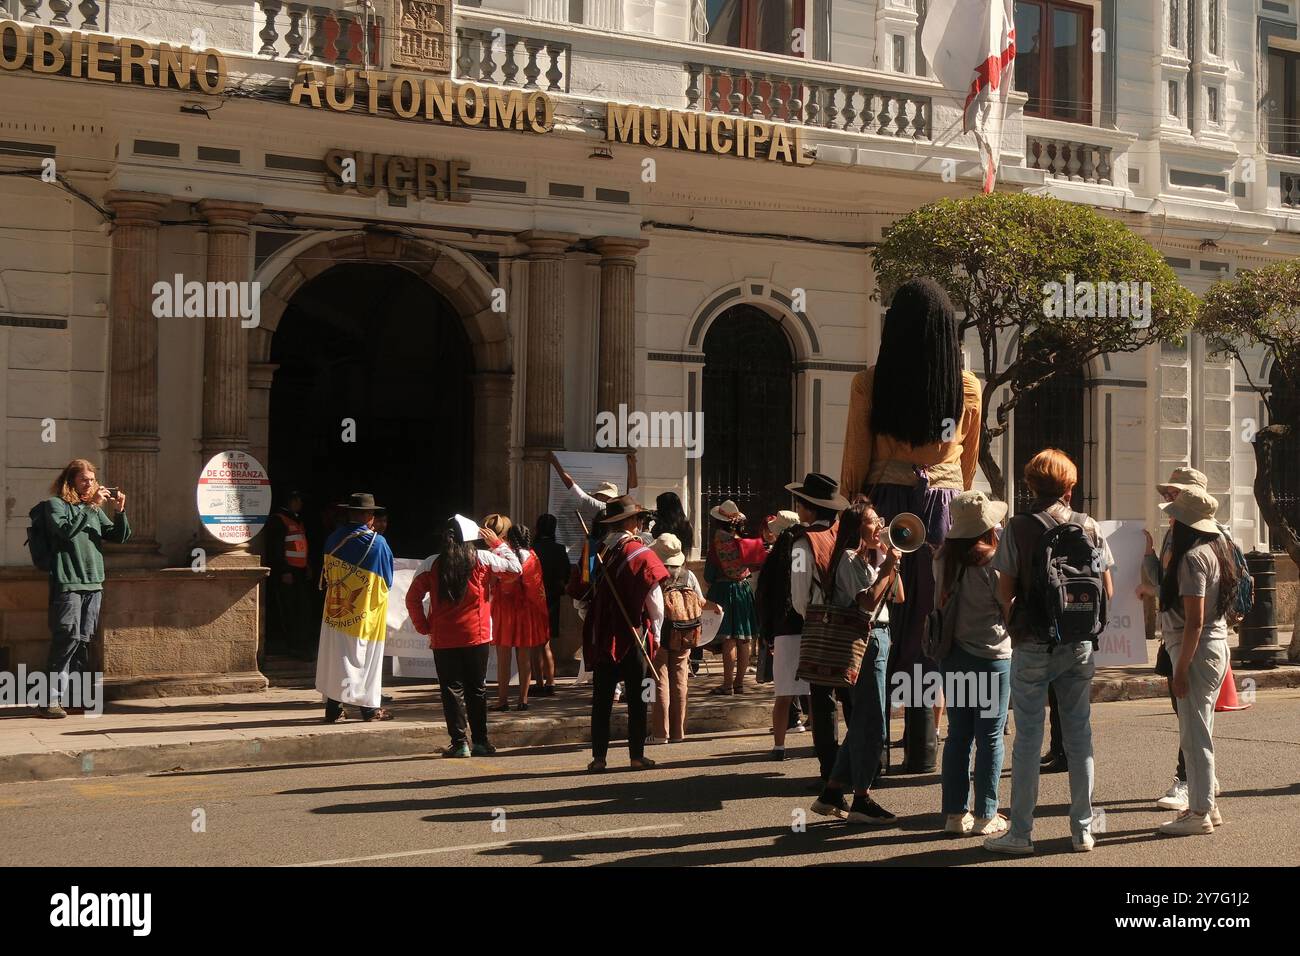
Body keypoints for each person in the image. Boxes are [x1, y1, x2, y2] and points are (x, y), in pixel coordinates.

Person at [840, 277, 981, 773]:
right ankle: (922, 746)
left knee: (881, 623)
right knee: (930, 621)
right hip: (942, 508)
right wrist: (948, 491)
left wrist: (858, 498)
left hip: (885, 506)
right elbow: (968, 463)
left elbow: (855, 459)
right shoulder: (966, 387)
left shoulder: (870, 382)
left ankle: (871, 749)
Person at [984, 450, 1114, 855]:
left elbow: (1003, 590)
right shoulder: (1089, 526)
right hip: (1078, 644)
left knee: (1027, 740)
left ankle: (1020, 833)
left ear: (1029, 486)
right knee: (1079, 737)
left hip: (1033, 643)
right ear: (1070, 487)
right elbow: (1106, 590)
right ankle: (1082, 831)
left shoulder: (1018, 528)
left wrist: (1016, 623)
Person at [1138, 466, 1227, 812]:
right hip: (1193, 642)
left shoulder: (1201, 544)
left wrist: (1182, 668)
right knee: (1193, 722)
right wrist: (1149, 557)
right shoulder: (1178, 537)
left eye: (1174, 494)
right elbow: (1172, 584)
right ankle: (1202, 786)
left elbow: (1194, 613)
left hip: (1196, 643)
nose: (1167, 500)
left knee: (1194, 731)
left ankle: (1197, 800)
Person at [810, 496, 902, 826]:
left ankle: (833, 790)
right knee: (873, 719)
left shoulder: (866, 559)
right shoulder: (848, 559)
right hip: (865, 638)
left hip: (879, 636)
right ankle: (861, 797)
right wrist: (887, 567)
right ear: (856, 528)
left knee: (865, 716)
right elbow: (865, 603)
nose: (880, 525)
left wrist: (891, 563)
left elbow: (898, 596)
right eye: (873, 521)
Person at [1154, 487, 1235, 836]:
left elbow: (1194, 621)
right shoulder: (1216, 549)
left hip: (1197, 650)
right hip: (1214, 647)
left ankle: (1199, 811)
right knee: (1200, 731)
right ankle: (1207, 807)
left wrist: (1181, 668)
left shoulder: (1191, 558)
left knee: (1195, 735)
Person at [406, 515, 522, 757]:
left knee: (451, 690)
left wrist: (424, 626)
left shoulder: (430, 563)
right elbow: (515, 569)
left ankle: (459, 744)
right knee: (476, 689)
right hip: (476, 635)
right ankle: (481, 741)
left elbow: (412, 598)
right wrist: (498, 544)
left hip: (443, 637)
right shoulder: (482, 558)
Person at [932, 491, 1011, 837]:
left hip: (953, 655)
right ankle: (985, 813)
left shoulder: (942, 559)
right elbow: (1007, 608)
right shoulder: (993, 563)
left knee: (958, 736)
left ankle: (953, 814)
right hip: (992, 656)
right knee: (990, 737)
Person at [580, 495, 669, 772]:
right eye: (639, 518)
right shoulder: (642, 555)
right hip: (635, 637)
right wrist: (654, 635)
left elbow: (581, 601)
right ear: (631, 521)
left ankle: (598, 758)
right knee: (639, 696)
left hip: (604, 638)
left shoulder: (596, 552)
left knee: (602, 699)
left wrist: (598, 622)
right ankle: (636, 756)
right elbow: (655, 604)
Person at [39, 459, 131, 718]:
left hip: (93, 583)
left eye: (92, 480)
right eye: (84, 480)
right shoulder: (55, 505)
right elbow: (66, 532)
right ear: (70, 482)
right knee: (66, 638)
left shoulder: (92, 508)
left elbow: (118, 536)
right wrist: (91, 506)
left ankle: (74, 699)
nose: (90, 484)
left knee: (82, 641)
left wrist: (120, 511)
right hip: (68, 582)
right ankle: (49, 700)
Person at [787, 473, 855, 784]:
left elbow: (800, 596)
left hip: (819, 625)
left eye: (801, 504)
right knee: (852, 698)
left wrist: (810, 617)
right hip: (851, 624)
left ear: (809, 509)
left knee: (823, 700)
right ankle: (861, 764)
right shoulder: (845, 535)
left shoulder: (803, 544)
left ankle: (830, 770)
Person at [315, 493, 396, 724]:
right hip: (365, 612)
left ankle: (333, 709)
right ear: (369, 516)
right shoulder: (377, 543)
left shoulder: (332, 539)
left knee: (336, 659)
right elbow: (387, 581)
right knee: (366, 659)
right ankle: (368, 710)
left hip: (335, 611)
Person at [648, 533, 715, 744]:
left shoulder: (654, 574)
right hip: (685, 633)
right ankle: (678, 732)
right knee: (680, 681)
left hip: (660, 633)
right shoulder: (688, 575)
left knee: (659, 680)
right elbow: (701, 601)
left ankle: (660, 732)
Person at [755, 511, 808, 759]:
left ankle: (779, 745)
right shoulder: (803, 554)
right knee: (816, 693)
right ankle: (821, 744)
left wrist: (767, 633)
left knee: (783, 694)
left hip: (782, 632)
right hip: (806, 628)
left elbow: (763, 598)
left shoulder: (772, 560)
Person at [483, 515, 551, 712]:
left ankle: (502, 700)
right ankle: (523, 700)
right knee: (524, 658)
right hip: (526, 612)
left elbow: (493, 582)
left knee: (503, 659)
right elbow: (537, 587)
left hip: (504, 611)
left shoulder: (499, 555)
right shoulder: (533, 557)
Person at [702, 500, 759, 695]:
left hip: (724, 592)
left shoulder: (717, 546)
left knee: (728, 640)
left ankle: (727, 684)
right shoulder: (745, 543)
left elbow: (709, 575)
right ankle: (739, 683)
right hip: (743, 591)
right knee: (743, 639)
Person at [265, 490, 315, 660]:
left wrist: (307, 565)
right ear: (291, 501)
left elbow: (300, 546)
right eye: (298, 500)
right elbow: (276, 548)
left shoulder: (296, 519)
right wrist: (283, 570)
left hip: (299, 571)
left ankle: (302, 644)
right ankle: (293, 646)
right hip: (288, 572)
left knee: (302, 609)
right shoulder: (279, 520)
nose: (300, 503)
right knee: (290, 609)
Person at [531, 513, 571, 698]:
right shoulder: (560, 549)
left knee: (534, 644)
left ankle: (538, 682)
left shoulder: (532, 549)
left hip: (533, 599)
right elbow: (566, 574)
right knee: (546, 643)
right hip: (553, 600)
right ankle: (551, 682)